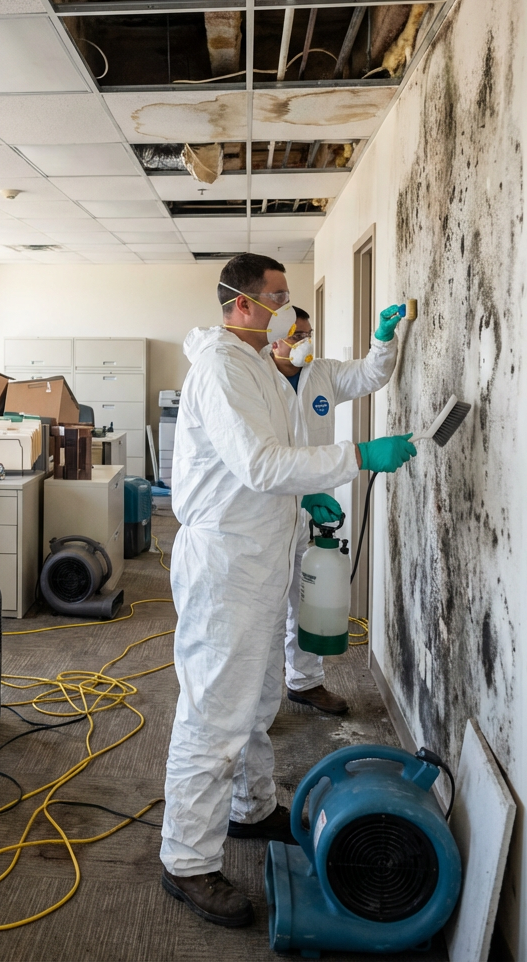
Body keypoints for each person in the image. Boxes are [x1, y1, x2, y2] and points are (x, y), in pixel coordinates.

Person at [160, 253, 417, 928]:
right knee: (215, 712)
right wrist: (358, 458)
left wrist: (308, 502)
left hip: (259, 553)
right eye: (277, 297)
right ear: (242, 304)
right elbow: (261, 463)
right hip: (226, 563)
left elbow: (269, 464)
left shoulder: (257, 367)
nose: (287, 308)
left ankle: (249, 809)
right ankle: (186, 859)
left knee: (255, 699)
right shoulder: (223, 368)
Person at [271, 305, 401, 715]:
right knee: (266, 610)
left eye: (308, 334)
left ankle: (305, 682)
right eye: (296, 335)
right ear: (273, 339)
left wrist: (383, 339)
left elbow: (370, 374)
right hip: (269, 513)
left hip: (314, 510)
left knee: (307, 598)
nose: (305, 342)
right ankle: (257, 706)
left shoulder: (322, 373)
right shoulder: (258, 380)